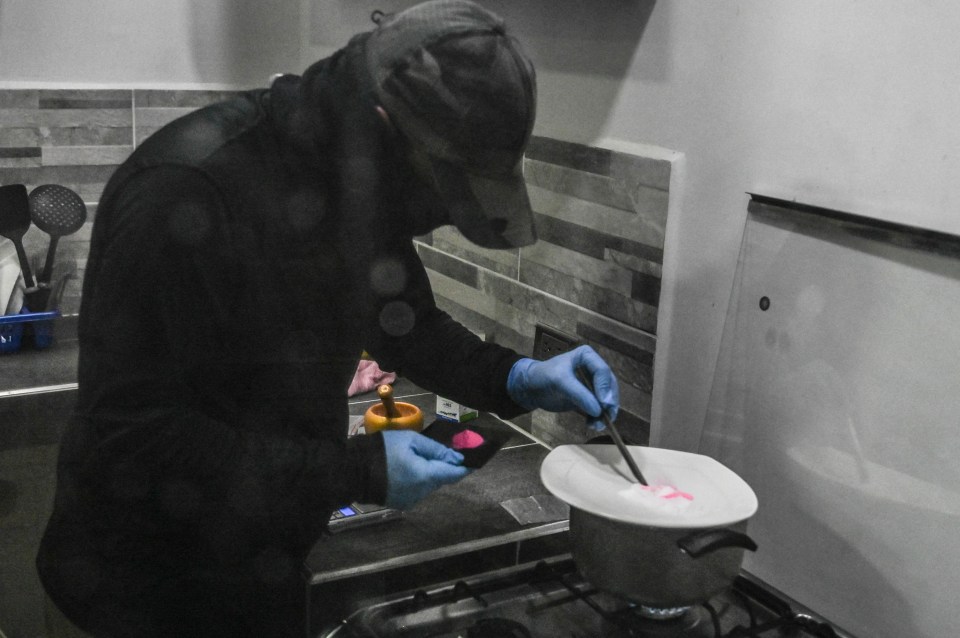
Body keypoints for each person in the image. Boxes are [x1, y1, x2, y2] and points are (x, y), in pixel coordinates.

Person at [36, 2, 620, 636]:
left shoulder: (355, 182)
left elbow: (409, 328)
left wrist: (521, 377)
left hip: (260, 569)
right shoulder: (187, 189)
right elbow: (134, 436)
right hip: (135, 595)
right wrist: (360, 470)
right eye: (439, 192)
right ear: (378, 125)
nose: (437, 217)